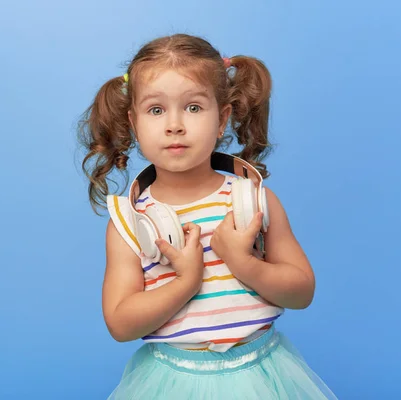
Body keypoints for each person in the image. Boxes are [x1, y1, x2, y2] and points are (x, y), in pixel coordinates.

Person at [78, 33, 337, 399]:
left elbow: (302, 293)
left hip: (261, 377)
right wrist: (185, 281)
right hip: (174, 381)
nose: (175, 125)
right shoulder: (131, 223)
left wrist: (242, 262)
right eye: (156, 110)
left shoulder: (254, 201)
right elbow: (121, 324)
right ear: (134, 124)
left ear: (222, 119)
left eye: (194, 107)